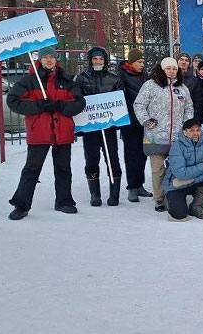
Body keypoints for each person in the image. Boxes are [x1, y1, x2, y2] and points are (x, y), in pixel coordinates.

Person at [6, 47, 86, 220]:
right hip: (39, 131)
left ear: (56, 59)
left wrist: (60, 106)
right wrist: (39, 106)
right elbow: (12, 100)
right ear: (40, 60)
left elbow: (79, 102)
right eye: (45, 57)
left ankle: (64, 201)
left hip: (62, 130)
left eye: (52, 57)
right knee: (32, 169)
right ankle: (22, 205)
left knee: (63, 168)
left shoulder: (66, 80)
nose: (49, 60)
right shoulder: (29, 80)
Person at [133, 57, 194, 212]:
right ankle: (159, 198)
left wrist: (186, 126)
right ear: (162, 69)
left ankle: (171, 196)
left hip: (177, 137)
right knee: (158, 169)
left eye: (174, 68)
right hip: (156, 135)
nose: (172, 71)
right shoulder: (150, 85)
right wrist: (146, 120)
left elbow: (189, 108)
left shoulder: (182, 88)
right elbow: (139, 105)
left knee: (174, 168)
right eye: (168, 68)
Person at [74, 46, 124, 207]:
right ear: (90, 60)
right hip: (90, 128)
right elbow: (77, 100)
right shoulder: (81, 78)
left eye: (101, 59)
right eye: (95, 59)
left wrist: (117, 120)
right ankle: (94, 194)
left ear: (105, 61)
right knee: (91, 159)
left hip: (108, 127)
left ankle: (114, 193)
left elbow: (120, 101)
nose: (98, 61)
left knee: (112, 159)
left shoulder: (114, 78)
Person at [162, 119, 203, 221]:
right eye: (191, 130)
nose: (195, 133)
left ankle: (196, 206)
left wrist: (195, 179)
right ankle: (169, 199)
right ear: (185, 132)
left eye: (198, 130)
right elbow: (181, 173)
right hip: (177, 183)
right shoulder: (177, 146)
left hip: (194, 181)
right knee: (179, 214)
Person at [117, 48, 152, 202]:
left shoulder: (145, 77)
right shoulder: (121, 76)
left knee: (142, 154)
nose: (142, 64)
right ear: (131, 62)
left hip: (143, 122)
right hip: (129, 122)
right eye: (139, 62)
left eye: (143, 62)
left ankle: (140, 184)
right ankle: (132, 187)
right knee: (131, 155)